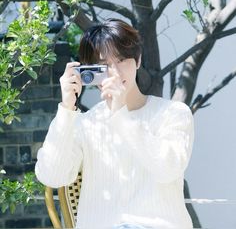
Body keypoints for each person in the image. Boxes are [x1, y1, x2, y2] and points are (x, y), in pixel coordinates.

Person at [35, 18, 194, 229]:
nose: (115, 73)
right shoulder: (85, 123)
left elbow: (167, 169)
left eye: (121, 60)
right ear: (90, 72)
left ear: (137, 60)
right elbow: (52, 176)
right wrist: (66, 109)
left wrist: (120, 113)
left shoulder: (173, 113)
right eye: (104, 65)